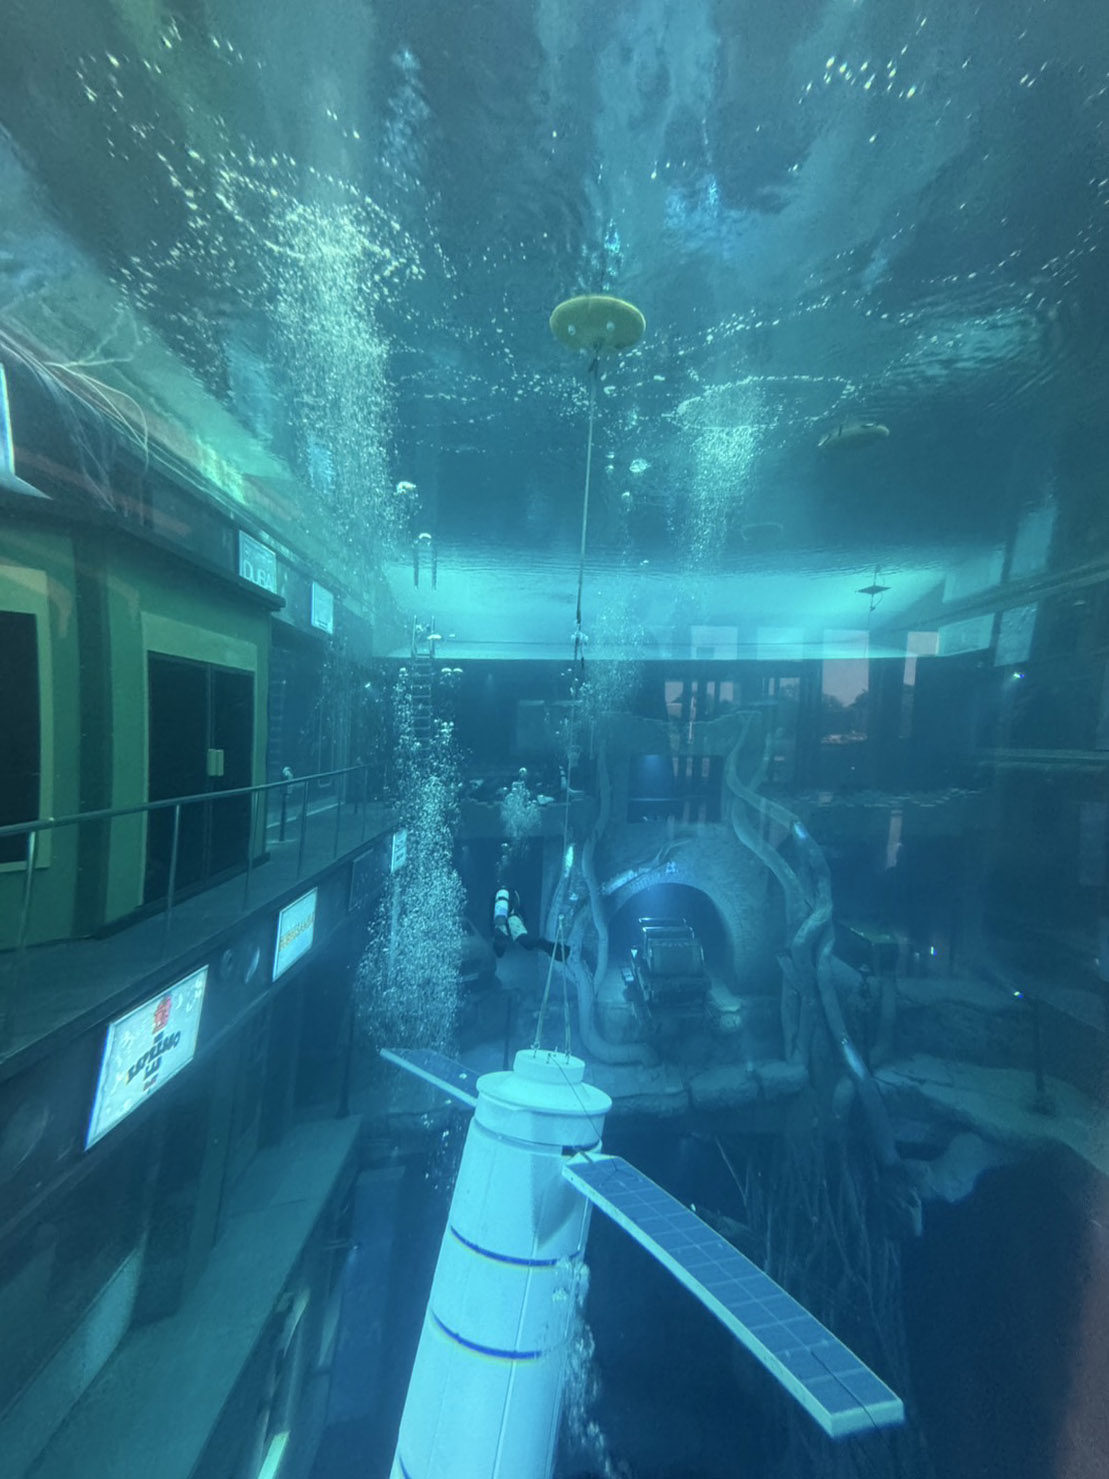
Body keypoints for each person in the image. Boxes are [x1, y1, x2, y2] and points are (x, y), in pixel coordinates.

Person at [492, 887, 569, 961]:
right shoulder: (497, 927)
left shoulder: (505, 928)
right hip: (511, 913)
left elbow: (526, 941)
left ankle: (558, 951)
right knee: (528, 944)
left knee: (528, 944)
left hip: (512, 919)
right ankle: (556, 950)